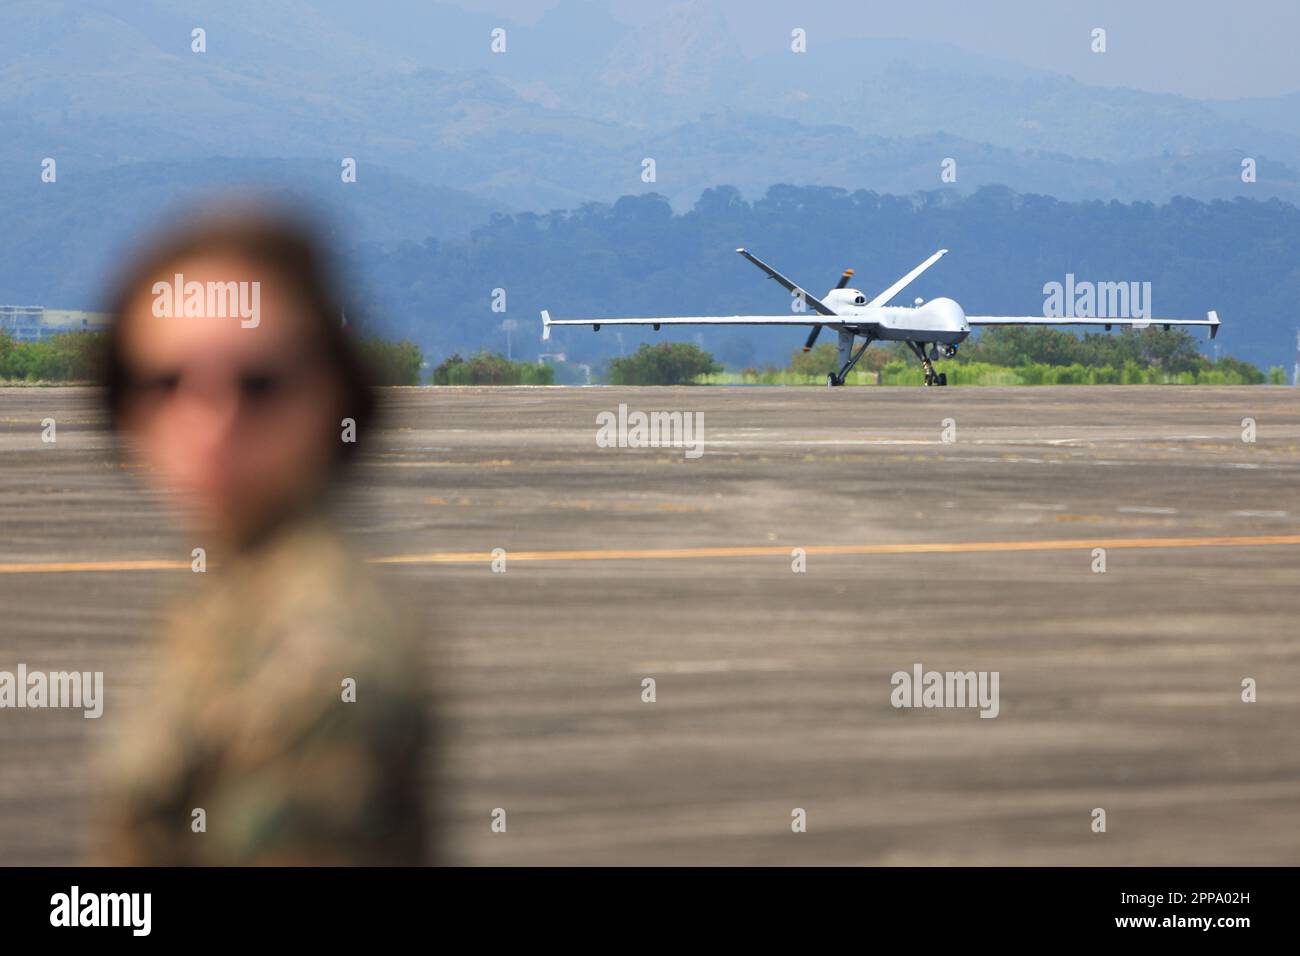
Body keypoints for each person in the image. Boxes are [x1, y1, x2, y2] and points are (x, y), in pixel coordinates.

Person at [95, 204, 427, 865]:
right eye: (163, 383)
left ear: (335, 395)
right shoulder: (237, 596)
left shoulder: (320, 661)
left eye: (260, 384)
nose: (211, 423)